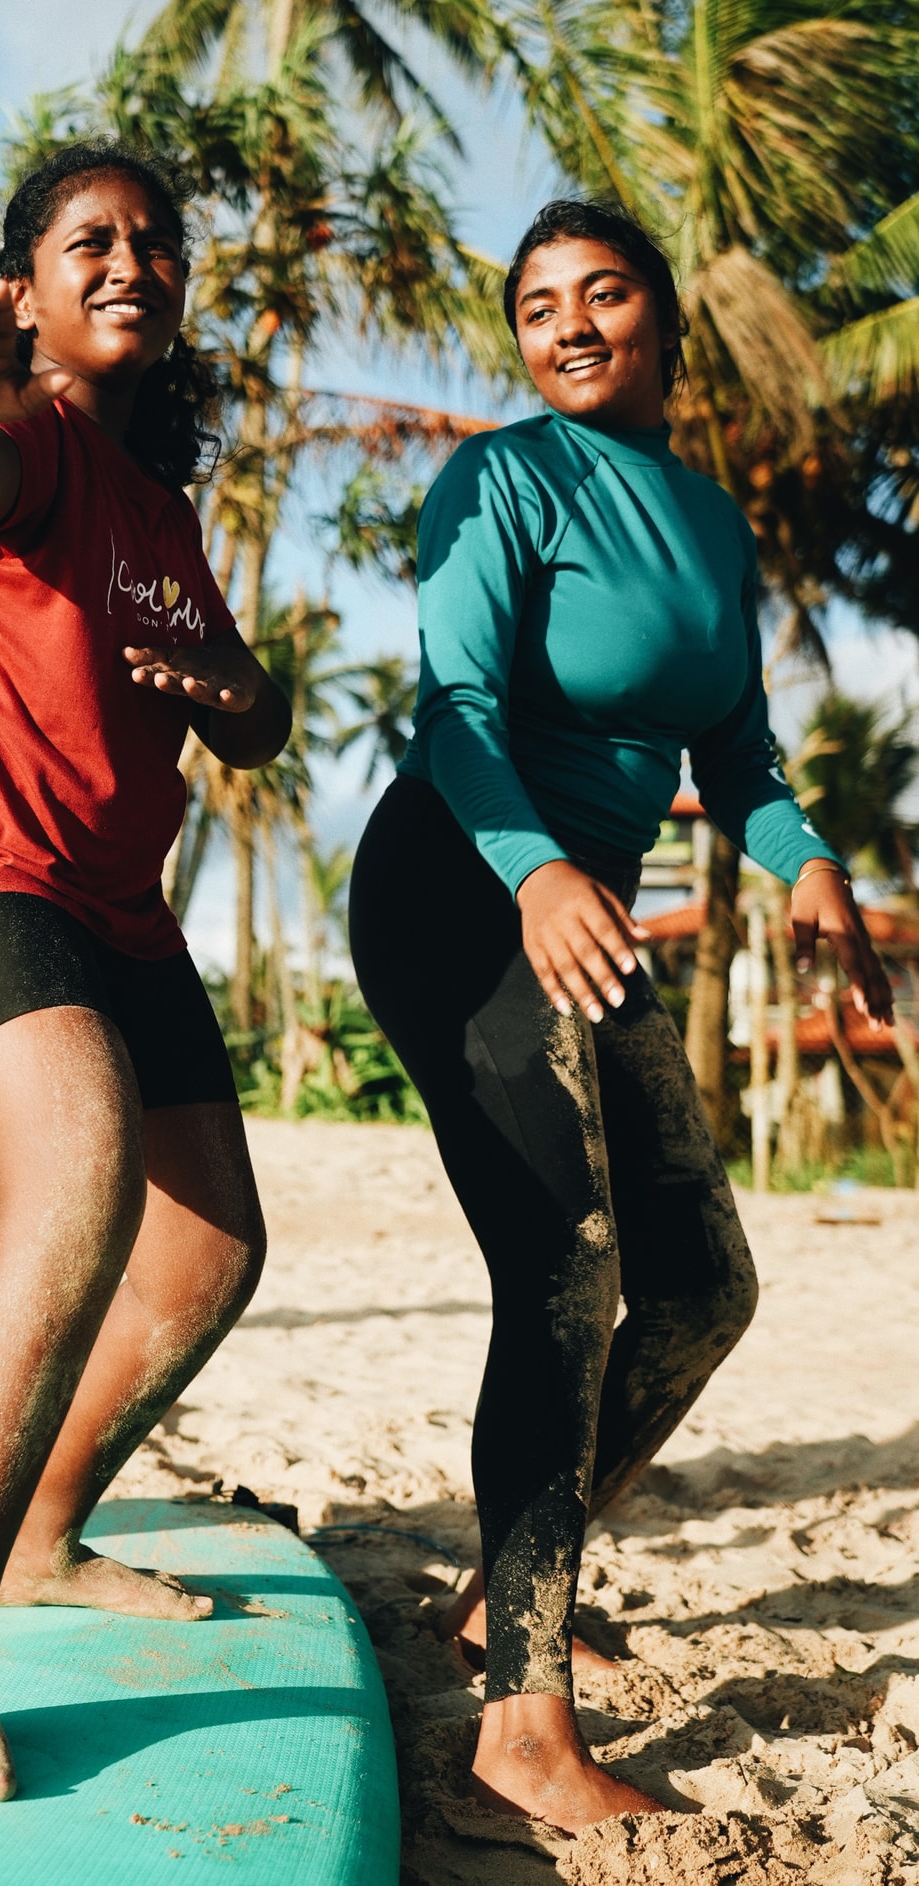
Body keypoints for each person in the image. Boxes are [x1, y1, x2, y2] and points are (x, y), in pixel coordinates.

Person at [348, 198, 893, 1835]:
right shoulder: (502, 481)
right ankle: (522, 1726)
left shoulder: (710, 523)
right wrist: (531, 870)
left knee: (705, 1283)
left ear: (662, 317)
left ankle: (500, 1593)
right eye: (538, 305)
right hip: (464, 881)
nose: (571, 324)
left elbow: (734, 749)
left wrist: (808, 862)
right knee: (567, 1263)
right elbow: (454, 712)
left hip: (576, 904)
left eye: (602, 293)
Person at [0, 138, 291, 1807]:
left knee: (212, 1249)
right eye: (89, 240)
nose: (131, 260)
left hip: (115, 907)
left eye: (156, 241)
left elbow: (246, 715)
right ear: (24, 290)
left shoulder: (161, 513)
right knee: (81, 1165)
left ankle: (43, 1533)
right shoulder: (20, 434)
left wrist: (238, 683)